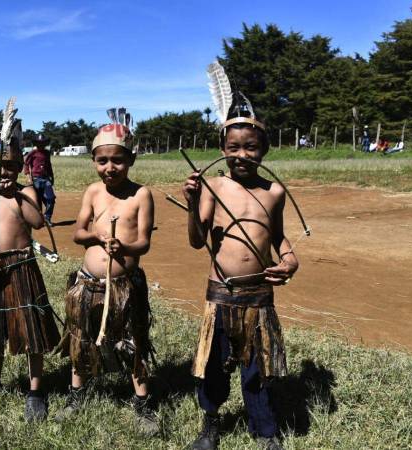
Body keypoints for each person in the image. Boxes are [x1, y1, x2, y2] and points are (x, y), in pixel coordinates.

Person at [183, 88, 298, 450]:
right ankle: (211, 424)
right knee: (213, 364)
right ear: (223, 149)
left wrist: (290, 259)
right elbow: (197, 240)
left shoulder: (274, 192)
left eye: (251, 147)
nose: (242, 155)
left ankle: (265, 431)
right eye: (234, 148)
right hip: (221, 293)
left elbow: (277, 236)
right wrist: (191, 203)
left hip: (259, 294)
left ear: (264, 150)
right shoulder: (213, 187)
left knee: (258, 366)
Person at [55, 111, 159, 436]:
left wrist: (124, 248)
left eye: (117, 160)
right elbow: (77, 233)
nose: (109, 167)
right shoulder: (92, 192)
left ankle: (142, 404)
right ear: (94, 161)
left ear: (131, 160)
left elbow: (143, 243)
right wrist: (99, 238)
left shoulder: (141, 195)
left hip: (125, 286)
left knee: (133, 341)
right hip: (89, 283)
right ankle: (76, 395)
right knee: (81, 338)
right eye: (102, 161)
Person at [0, 119, 61, 423]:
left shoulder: (27, 192)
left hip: (21, 268)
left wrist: (17, 195)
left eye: (7, 167)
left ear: (18, 169)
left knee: (31, 329)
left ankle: (35, 390)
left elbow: (37, 222)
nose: (1, 173)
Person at [24, 134, 56, 226]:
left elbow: (49, 165)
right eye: (39, 143)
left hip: (46, 179)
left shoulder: (47, 153)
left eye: (42, 143)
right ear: (36, 143)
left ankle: (47, 218)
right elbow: (26, 164)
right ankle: (39, 220)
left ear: (45, 143)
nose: (41, 144)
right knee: (37, 200)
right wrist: (28, 177)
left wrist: (52, 177)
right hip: (36, 179)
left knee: (50, 198)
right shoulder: (32, 153)